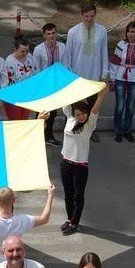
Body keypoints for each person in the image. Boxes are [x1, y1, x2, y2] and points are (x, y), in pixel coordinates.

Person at [46, 87, 107, 235]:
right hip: (65, 163)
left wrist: (100, 96)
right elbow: (65, 101)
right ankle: (69, 219)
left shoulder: (90, 124)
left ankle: (75, 223)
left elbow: (95, 110)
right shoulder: (70, 118)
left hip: (80, 167)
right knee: (68, 195)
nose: (81, 116)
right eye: (78, 114)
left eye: (83, 113)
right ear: (74, 114)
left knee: (78, 196)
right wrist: (64, 86)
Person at [65, 3, 109, 143]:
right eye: (86, 16)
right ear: (82, 15)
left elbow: (104, 53)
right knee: (76, 106)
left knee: (92, 105)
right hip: (77, 76)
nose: (89, 19)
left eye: (91, 16)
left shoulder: (102, 31)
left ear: (95, 15)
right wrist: (69, 75)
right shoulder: (73, 32)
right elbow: (68, 55)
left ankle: (91, 130)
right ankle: (75, 128)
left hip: (94, 76)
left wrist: (104, 74)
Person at [110, 20, 135, 143]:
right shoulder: (121, 44)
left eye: (133, 32)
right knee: (120, 106)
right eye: (128, 31)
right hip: (120, 77)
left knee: (130, 106)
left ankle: (127, 130)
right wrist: (112, 80)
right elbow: (115, 62)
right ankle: (118, 131)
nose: (130, 34)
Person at [32, 22, 68, 146]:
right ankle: (37, 136)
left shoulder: (62, 47)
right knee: (41, 112)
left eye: (53, 33)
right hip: (43, 85)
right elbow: (36, 69)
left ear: (56, 33)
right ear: (44, 35)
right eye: (48, 34)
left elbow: (65, 65)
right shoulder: (38, 50)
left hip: (56, 84)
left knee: (53, 112)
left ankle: (49, 136)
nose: (51, 36)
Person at [3, 36, 38, 120]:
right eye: (22, 51)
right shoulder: (10, 62)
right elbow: (10, 83)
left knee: (24, 120)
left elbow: (34, 72)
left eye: (27, 51)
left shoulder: (29, 57)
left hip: (27, 95)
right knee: (16, 122)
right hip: (14, 97)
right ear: (15, 49)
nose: (25, 53)